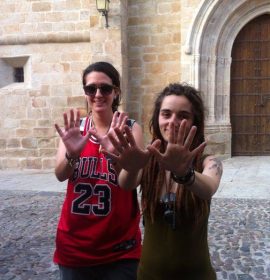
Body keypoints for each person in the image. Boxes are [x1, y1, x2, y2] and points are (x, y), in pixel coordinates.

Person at [103, 83, 223, 280]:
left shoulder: (208, 162)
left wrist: (185, 173)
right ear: (158, 118)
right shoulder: (147, 158)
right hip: (150, 274)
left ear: (195, 121)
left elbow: (208, 188)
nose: (173, 121)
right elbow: (126, 184)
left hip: (197, 275)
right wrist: (132, 167)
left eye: (183, 115)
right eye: (166, 114)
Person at [53, 61, 143, 280]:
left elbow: (131, 182)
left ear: (116, 92)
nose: (98, 94)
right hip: (75, 246)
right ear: (85, 92)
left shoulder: (130, 129)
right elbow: (60, 175)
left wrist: (118, 160)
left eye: (105, 88)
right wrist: (72, 154)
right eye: (91, 88)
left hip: (120, 248)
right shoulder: (75, 130)